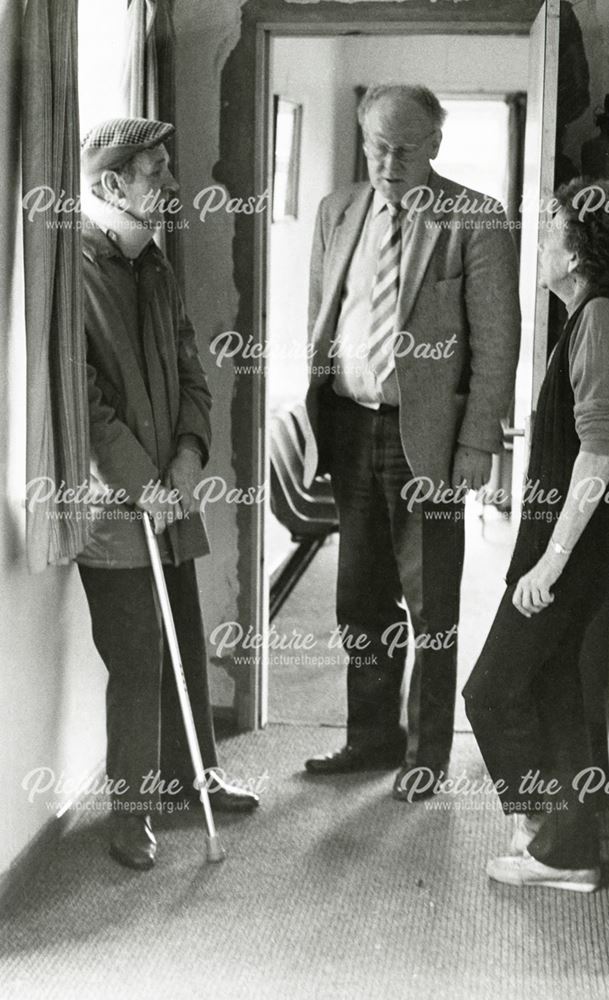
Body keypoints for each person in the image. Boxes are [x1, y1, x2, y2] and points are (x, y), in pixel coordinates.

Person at [302, 84, 521, 799]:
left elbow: (496, 346)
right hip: (349, 424)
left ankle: (426, 754)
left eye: (403, 147)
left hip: (424, 437)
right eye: (376, 146)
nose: (388, 161)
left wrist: (475, 447)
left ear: (434, 144)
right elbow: (323, 316)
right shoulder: (338, 211)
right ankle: (370, 739)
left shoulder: (475, 219)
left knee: (430, 605)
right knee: (358, 599)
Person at [463, 177, 609, 891]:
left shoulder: (603, 319)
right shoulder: (589, 317)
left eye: (549, 227)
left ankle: (547, 835)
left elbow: (599, 451)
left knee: (487, 692)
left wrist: (548, 563)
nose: (537, 241)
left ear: (579, 250)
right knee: (552, 688)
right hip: (572, 541)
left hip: (573, 547)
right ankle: (569, 846)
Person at [78, 117, 259, 871]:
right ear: (113, 185)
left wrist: (187, 459)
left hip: (170, 491)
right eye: (156, 172)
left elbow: (192, 373)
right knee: (136, 655)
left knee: (183, 634)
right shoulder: (74, 274)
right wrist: (142, 484)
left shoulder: (155, 263)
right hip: (111, 506)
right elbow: (82, 404)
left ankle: (194, 780)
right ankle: (133, 812)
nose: (172, 184)